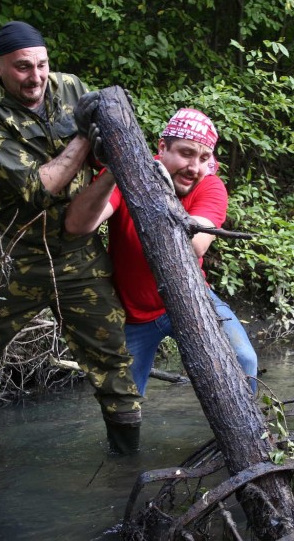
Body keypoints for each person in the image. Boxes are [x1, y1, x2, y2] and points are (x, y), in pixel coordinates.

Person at [0, 21, 143, 454]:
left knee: (110, 356)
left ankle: (126, 458)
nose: (35, 77)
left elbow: (109, 145)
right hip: (19, 254)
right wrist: (82, 138)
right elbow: (37, 187)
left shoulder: (70, 87)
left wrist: (114, 126)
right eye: (21, 67)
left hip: (79, 252)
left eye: (41, 65)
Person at [64, 108, 259, 401]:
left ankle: (253, 434)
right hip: (133, 313)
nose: (195, 167)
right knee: (123, 402)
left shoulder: (210, 185)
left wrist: (166, 201)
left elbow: (196, 245)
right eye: (186, 153)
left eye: (204, 158)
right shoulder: (130, 176)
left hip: (193, 298)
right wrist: (114, 172)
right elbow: (78, 225)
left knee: (244, 360)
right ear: (162, 147)